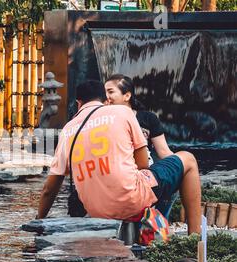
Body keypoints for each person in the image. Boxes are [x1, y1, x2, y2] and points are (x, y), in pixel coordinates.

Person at [37, 80, 201, 235]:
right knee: (188, 159)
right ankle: (195, 238)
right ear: (105, 100)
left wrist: (39, 221)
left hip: (95, 211)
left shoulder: (68, 129)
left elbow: (49, 190)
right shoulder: (123, 112)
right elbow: (143, 163)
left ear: (78, 103)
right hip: (131, 200)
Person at [104, 74, 175, 218]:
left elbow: (163, 151)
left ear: (127, 95)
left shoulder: (148, 118)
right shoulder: (103, 119)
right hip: (115, 173)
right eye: (104, 92)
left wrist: (178, 164)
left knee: (176, 176)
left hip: (144, 172)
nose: (106, 96)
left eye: (110, 92)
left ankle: (158, 220)